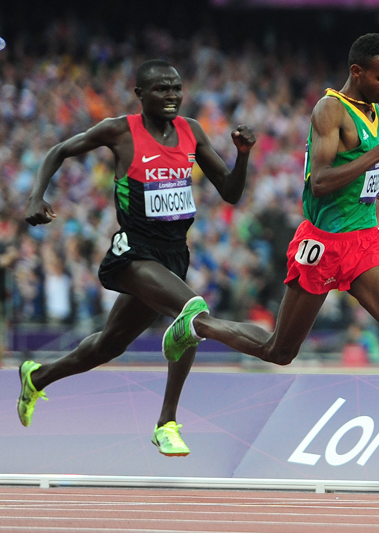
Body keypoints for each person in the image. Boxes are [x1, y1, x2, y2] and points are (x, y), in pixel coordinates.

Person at [161, 33, 379, 485]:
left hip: (361, 240)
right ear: (357, 72)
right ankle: (196, 326)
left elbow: (349, 169)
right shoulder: (329, 110)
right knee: (279, 351)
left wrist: (373, 186)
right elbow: (320, 181)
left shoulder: (372, 108)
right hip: (321, 245)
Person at [19, 60, 256, 457]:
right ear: (140, 95)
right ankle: (167, 423)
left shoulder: (190, 131)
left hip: (173, 256)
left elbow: (230, 192)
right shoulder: (119, 131)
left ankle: (38, 377)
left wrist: (243, 154)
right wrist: (35, 196)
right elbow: (60, 150)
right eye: (162, 89)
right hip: (133, 252)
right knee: (192, 314)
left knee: (109, 345)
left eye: (176, 89)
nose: (172, 96)